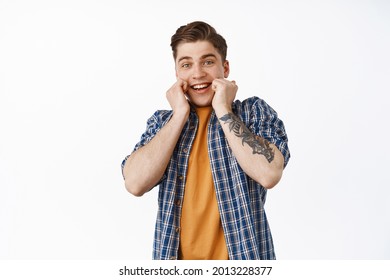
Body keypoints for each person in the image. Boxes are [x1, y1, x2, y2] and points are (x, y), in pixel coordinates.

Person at [121, 21, 290, 260]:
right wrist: (179, 114)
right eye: (186, 64)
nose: (198, 73)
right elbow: (134, 183)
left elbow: (269, 173)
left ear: (226, 67)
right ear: (177, 73)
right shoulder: (162, 123)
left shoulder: (253, 112)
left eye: (208, 62)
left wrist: (223, 109)